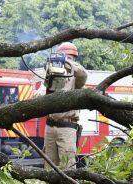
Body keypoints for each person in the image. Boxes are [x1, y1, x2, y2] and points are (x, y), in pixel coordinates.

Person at [44, 42, 87, 170]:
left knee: (68, 167)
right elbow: (46, 88)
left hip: (67, 127)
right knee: (49, 168)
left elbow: (83, 74)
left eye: (69, 58)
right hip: (50, 126)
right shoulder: (53, 75)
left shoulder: (76, 79)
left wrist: (67, 62)